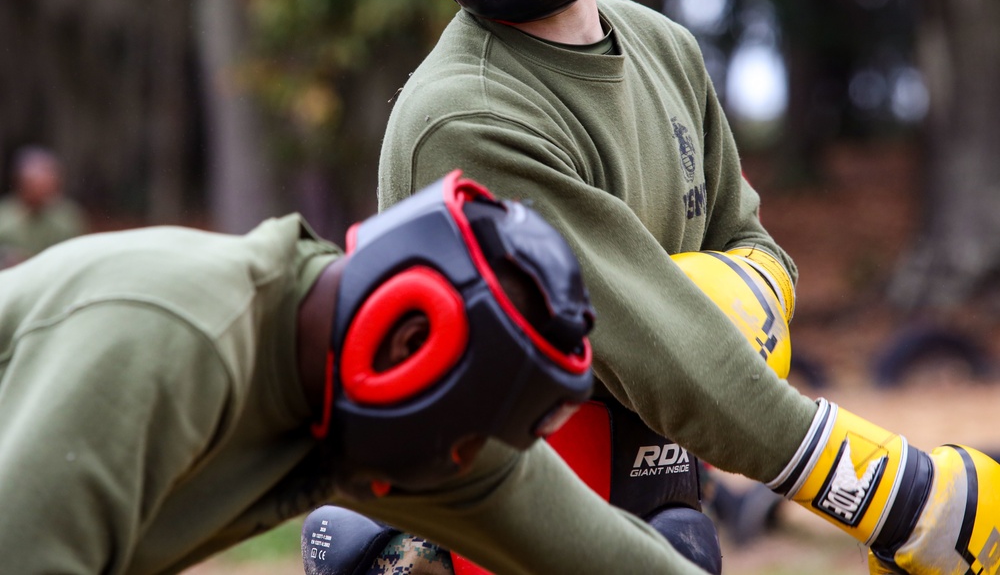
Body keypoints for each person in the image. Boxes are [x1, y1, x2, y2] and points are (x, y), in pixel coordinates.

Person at [371, 0, 1000, 575]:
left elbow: (754, 245)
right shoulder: (466, 118)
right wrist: (906, 500)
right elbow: (658, 355)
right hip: (506, 535)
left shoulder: (662, 45)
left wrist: (723, 301)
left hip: (656, 495)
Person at [0, 169, 716, 575]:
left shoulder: (403, 403)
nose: (470, 464)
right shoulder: (173, 337)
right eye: (468, 439)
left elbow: (612, 563)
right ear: (409, 342)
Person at [0, 145, 86, 268]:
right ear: (20, 183)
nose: (42, 190)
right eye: (34, 184)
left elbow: (77, 253)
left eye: (48, 184)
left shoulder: (67, 216)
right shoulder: (4, 215)